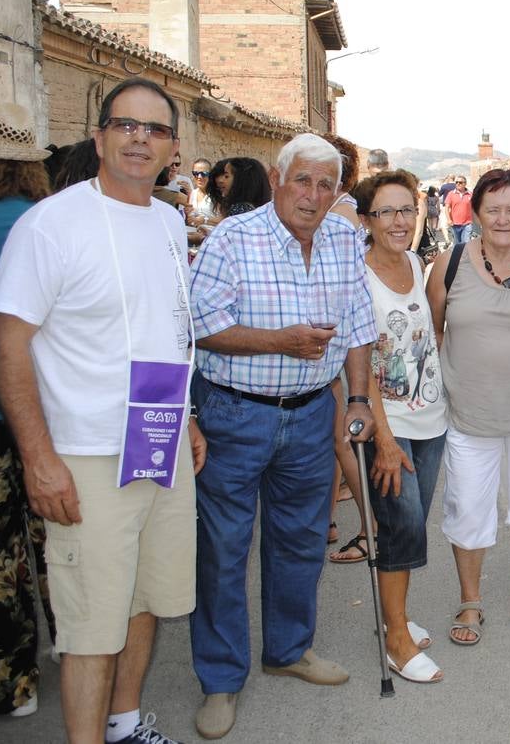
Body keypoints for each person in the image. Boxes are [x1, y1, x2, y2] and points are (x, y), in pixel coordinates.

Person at [0, 78, 205, 744]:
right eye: (126, 125)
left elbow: (165, 329)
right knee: (91, 620)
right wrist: (38, 458)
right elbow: (9, 343)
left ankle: (122, 724)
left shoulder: (170, 221)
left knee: (147, 598)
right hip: (85, 455)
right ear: (100, 137)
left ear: (172, 147)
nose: (140, 138)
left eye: (155, 129)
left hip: (160, 438)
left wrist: (188, 416)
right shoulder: (50, 225)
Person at [187, 133, 377, 740]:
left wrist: (355, 398)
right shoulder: (231, 239)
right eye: (303, 181)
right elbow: (201, 325)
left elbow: (357, 325)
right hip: (235, 413)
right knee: (223, 549)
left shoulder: (346, 237)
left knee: (298, 541)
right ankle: (220, 680)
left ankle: (289, 651)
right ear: (277, 178)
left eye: (327, 184)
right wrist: (281, 341)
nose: (314, 196)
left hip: (310, 415)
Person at [424, 168, 510, 647]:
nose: (503, 219)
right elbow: (433, 332)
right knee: (467, 506)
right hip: (470, 412)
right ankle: (470, 600)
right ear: (476, 212)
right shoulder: (449, 262)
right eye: (493, 209)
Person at [352, 169, 448, 682]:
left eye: (406, 210)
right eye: (386, 212)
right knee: (401, 527)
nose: (399, 221)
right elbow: (361, 366)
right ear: (368, 220)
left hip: (432, 421)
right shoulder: (357, 276)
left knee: (409, 527)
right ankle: (396, 639)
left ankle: (395, 615)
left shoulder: (415, 262)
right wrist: (384, 441)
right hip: (391, 430)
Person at [0, 113, 54, 719]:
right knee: (53, 535)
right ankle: (73, 637)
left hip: (1, 412)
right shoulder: (41, 222)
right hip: (47, 407)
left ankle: (15, 682)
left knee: (1, 551)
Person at [325, 137, 374, 562]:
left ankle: (370, 525)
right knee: (334, 433)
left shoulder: (339, 216)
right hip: (339, 336)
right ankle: (330, 520)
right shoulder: (344, 211)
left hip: (339, 338)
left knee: (342, 434)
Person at [445, 176, 473, 245]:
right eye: (456, 182)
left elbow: (475, 208)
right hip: (455, 224)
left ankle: (465, 255)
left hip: (467, 224)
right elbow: (446, 207)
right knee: (457, 245)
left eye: (460, 182)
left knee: (466, 244)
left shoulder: (470, 194)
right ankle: (457, 255)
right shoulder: (451, 194)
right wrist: (449, 219)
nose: (458, 184)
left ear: (465, 184)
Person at [189, 159, 217, 223]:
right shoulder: (193, 193)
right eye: (196, 173)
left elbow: (224, 219)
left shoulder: (217, 194)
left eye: (204, 174)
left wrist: (205, 220)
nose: (199, 177)